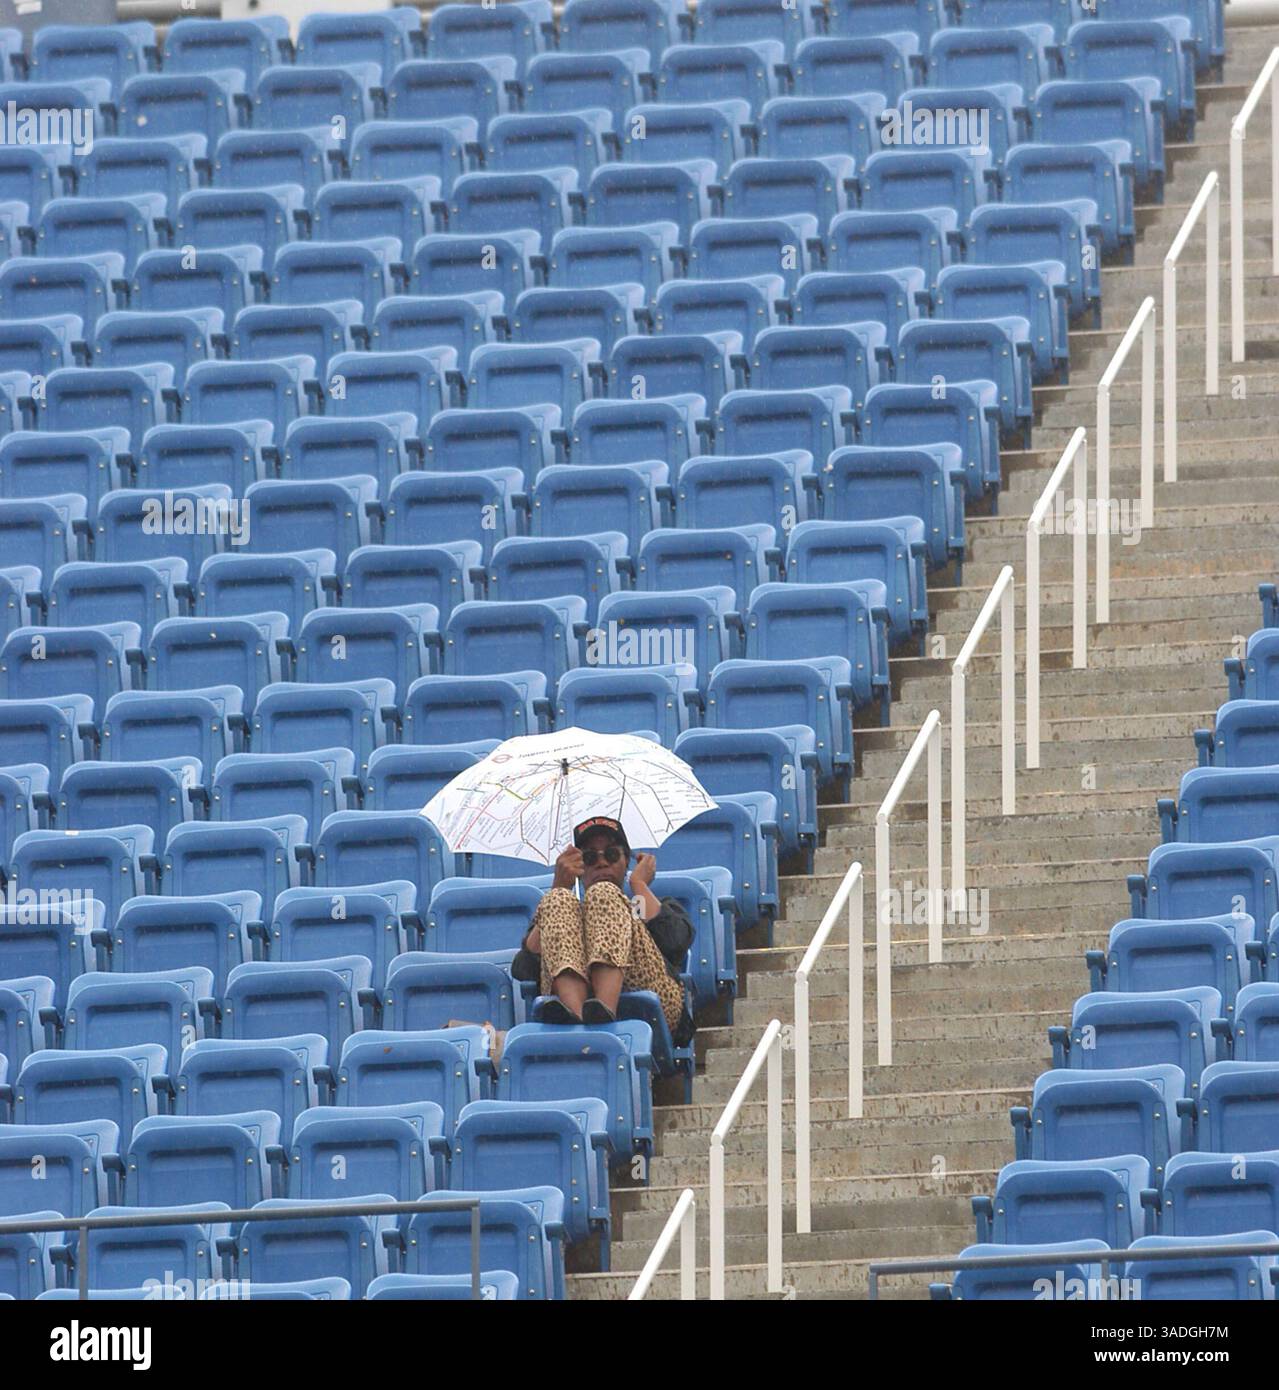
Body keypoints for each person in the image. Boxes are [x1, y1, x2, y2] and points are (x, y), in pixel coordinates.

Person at [511, 816, 694, 1041]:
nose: (601, 863)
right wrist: (559, 886)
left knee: (603, 893)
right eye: (589, 857)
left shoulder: (642, 903)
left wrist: (639, 885)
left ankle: (603, 1013)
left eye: (611, 854)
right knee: (557, 899)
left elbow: (675, 942)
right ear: (579, 866)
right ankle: (578, 1018)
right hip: (574, 1018)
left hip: (654, 1004)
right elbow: (524, 968)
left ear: (626, 860)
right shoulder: (564, 912)